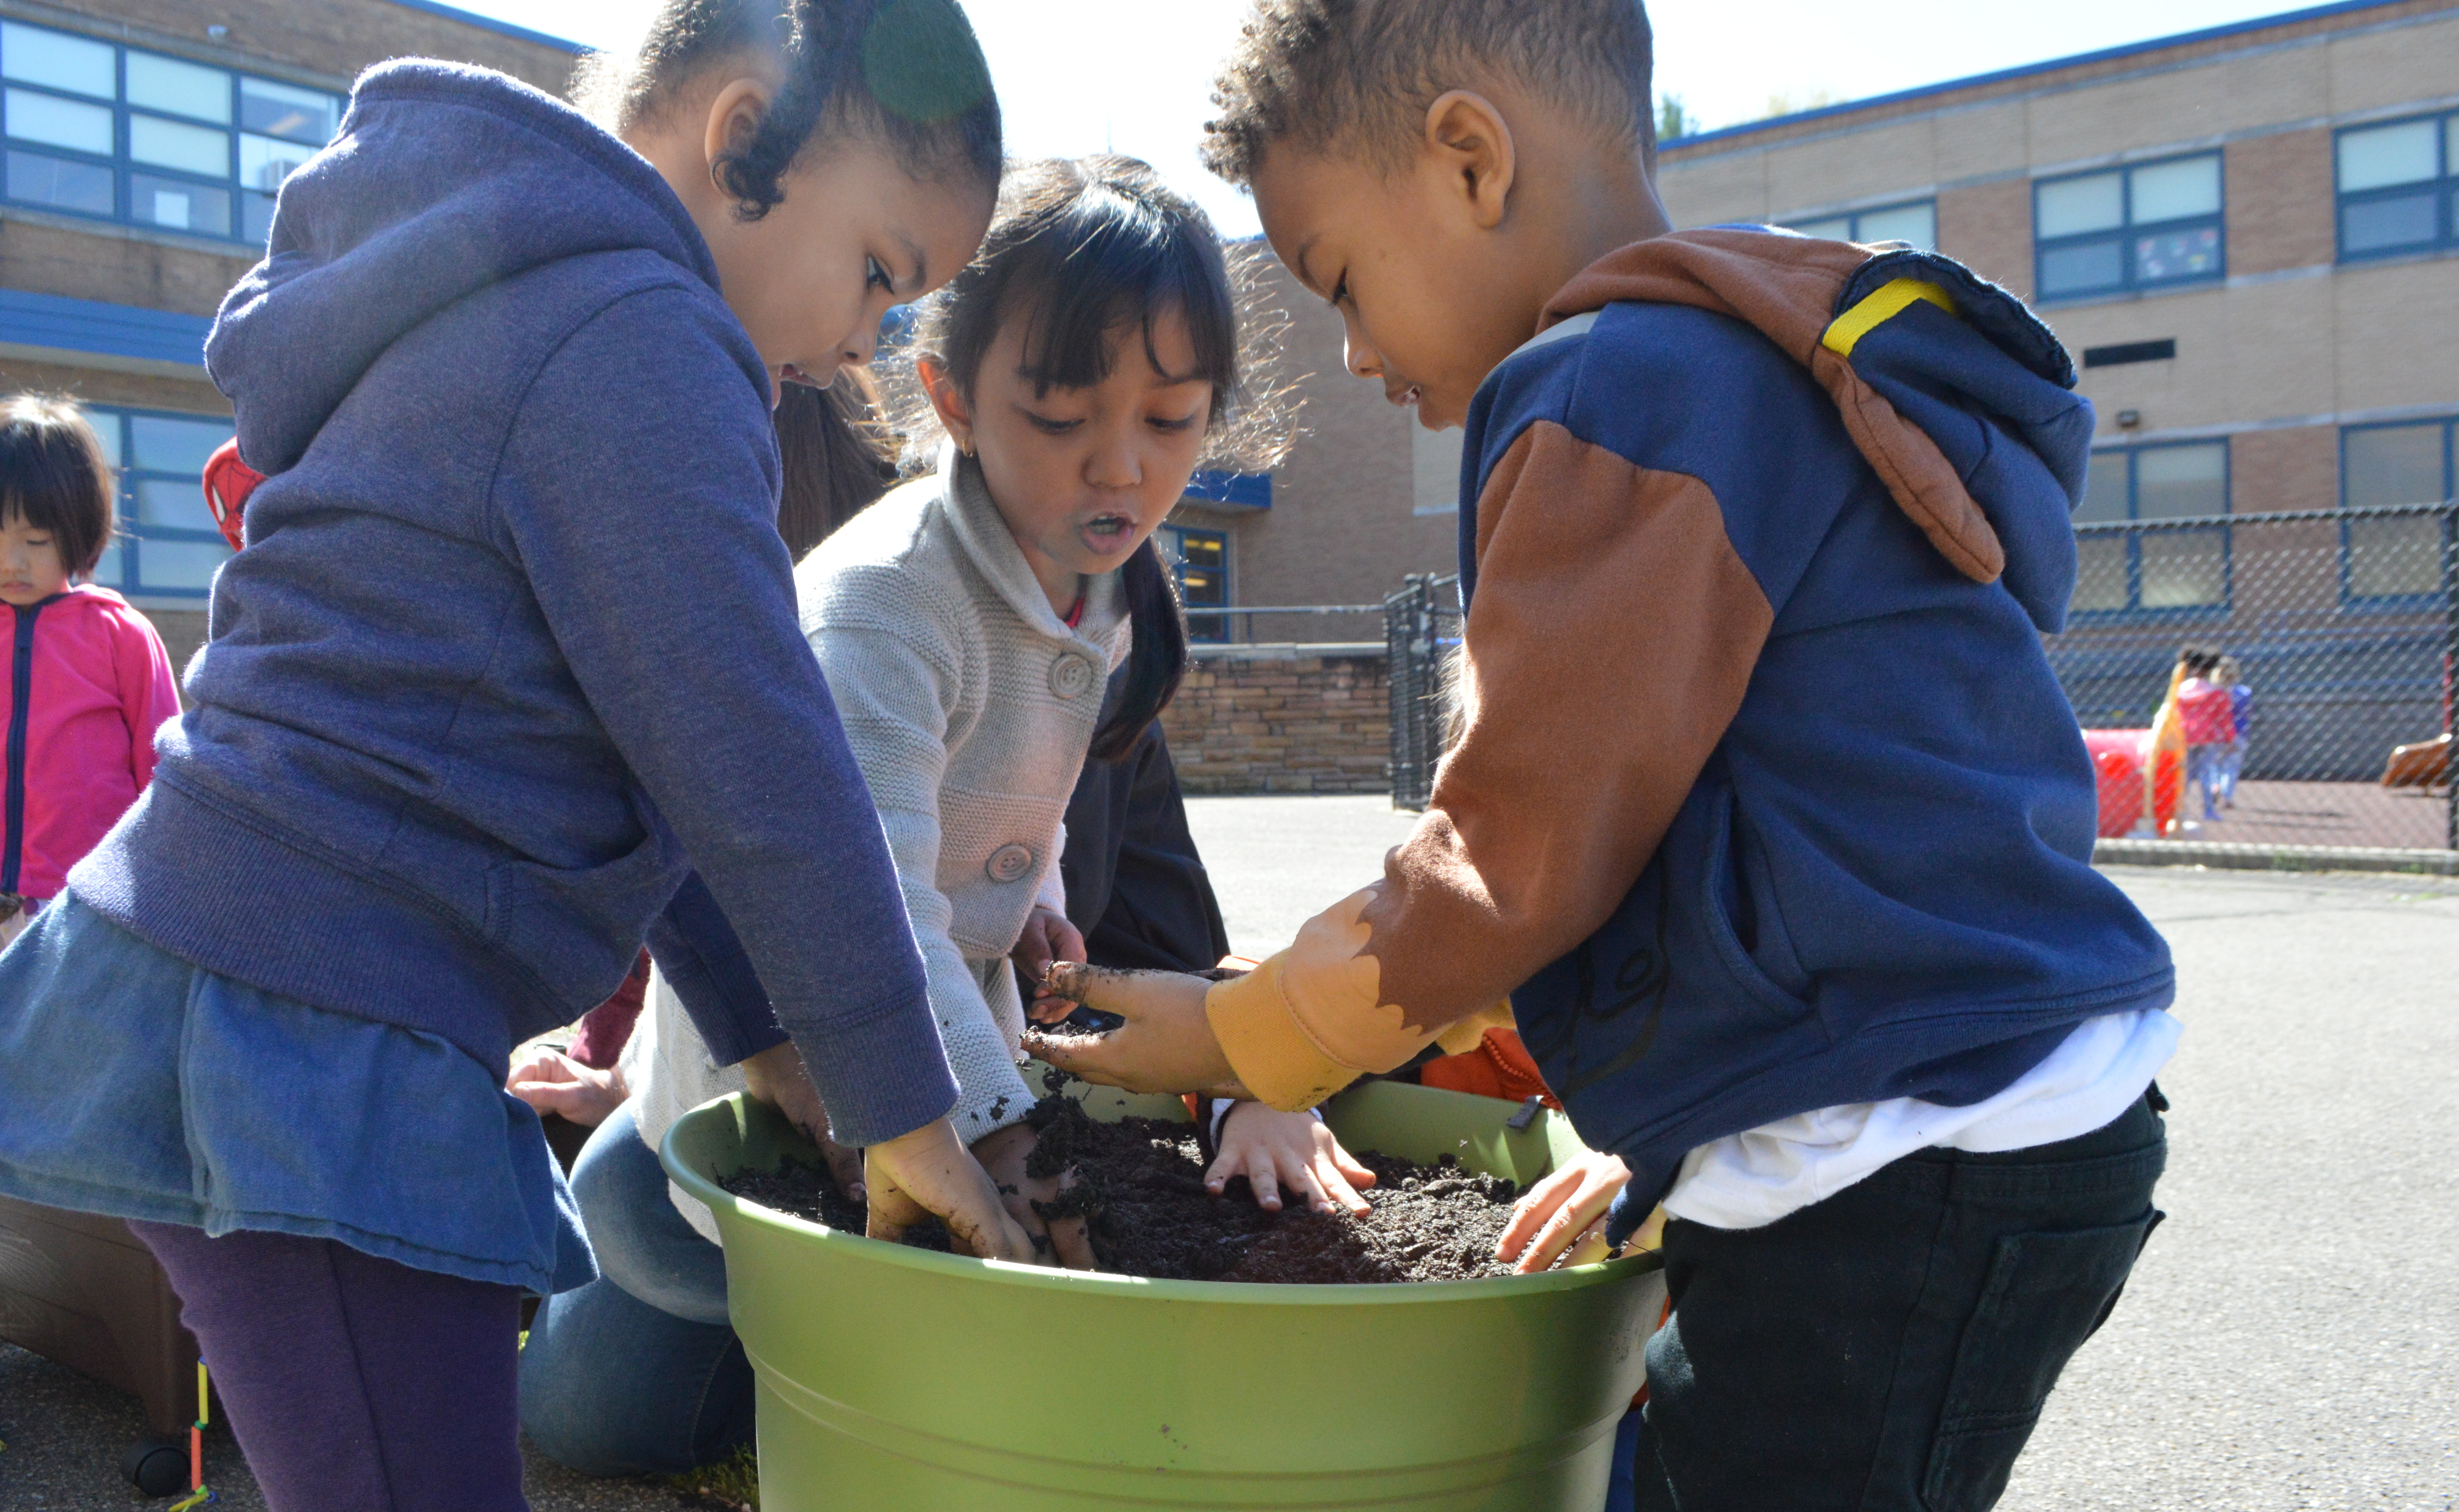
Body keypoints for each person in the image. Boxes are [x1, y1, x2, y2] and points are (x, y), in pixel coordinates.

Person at [1031, 4, 2179, 1510]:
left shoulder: (1611, 391)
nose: (1358, 350)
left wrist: (1247, 1035)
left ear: (1466, 159)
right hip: (1958, 1107)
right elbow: (1716, 831)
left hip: (1895, 1143)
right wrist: (1676, 1145)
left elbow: (1518, 855)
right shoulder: (1749, 362)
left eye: (1340, 280)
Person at [0, 3, 1040, 1507]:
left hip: (237, 975)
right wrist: (901, 1102)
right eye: (877, 272)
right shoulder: (646, 331)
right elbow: (754, 752)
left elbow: (650, 750)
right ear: (741, 134)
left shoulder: (515, 292)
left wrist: (770, 1050)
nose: (857, 346)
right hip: (306, 1026)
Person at [520, 155, 1368, 1480]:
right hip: (811, 1049)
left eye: (1169, 418)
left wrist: (1030, 904)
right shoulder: (886, 608)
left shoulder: (1104, 585)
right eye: (1062, 415)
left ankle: (827, 1350)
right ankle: (660, 1217)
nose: (1120, 464)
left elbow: (1001, 807)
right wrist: (999, 1135)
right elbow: (872, 902)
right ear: (953, 398)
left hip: (938, 1018)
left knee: (928, 1334)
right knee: (621, 1387)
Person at [0, 397, 182, 950]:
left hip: (85, 911)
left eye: (36, 541)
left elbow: (165, 775)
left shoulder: (120, 635)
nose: (13, 560)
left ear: (77, 531)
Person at [2176, 645, 2235, 820]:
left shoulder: (2179, 691)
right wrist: (2230, 739)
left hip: (2184, 735)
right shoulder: (2216, 693)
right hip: (2207, 737)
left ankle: (2180, 811)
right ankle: (2209, 811)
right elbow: (2224, 719)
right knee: (2206, 774)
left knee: (2184, 775)